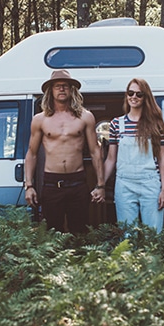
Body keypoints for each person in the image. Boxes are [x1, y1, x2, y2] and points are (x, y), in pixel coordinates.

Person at [24, 69, 106, 234]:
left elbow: (95, 151)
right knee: (53, 233)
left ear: (71, 90)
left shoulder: (85, 117)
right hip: (51, 183)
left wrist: (100, 185)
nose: (61, 89)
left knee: (80, 232)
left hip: (78, 182)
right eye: (57, 86)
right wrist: (29, 186)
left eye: (65, 86)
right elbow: (32, 153)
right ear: (51, 91)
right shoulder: (40, 119)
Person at [104, 78, 164, 232]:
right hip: (124, 183)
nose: (134, 97)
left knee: (153, 233)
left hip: (150, 183)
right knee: (127, 234)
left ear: (146, 97)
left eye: (139, 94)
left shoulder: (156, 125)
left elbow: (161, 159)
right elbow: (111, 159)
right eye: (130, 93)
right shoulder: (116, 124)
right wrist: (100, 184)